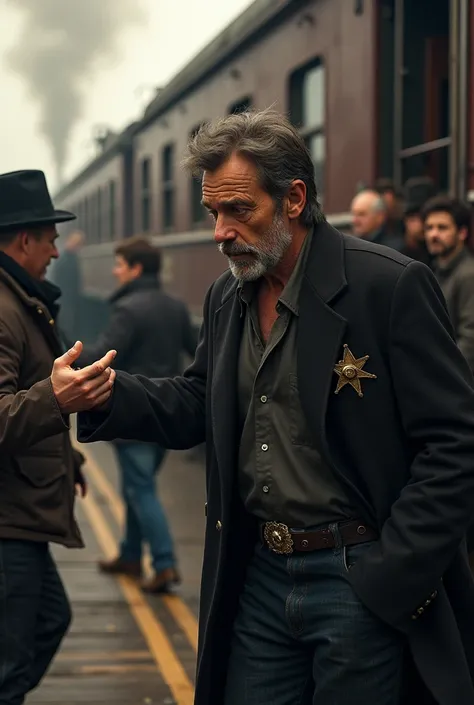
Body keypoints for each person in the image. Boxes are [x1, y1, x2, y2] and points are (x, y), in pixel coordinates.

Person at [56, 111, 474, 705]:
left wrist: (391, 574)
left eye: (238, 210)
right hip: (260, 575)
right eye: (213, 214)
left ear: (294, 199)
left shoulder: (388, 287)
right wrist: (109, 391)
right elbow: (203, 398)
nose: (221, 232)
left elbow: (455, 442)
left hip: (358, 576)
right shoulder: (229, 295)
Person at [0, 169, 115, 704]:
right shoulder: (3, 310)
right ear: (24, 240)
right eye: (48, 239)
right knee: (12, 656)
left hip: (18, 511)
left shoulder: (18, 297)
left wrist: (68, 460)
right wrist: (60, 398)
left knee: (46, 621)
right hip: (6, 521)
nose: (54, 251)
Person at [76, 236, 196, 592]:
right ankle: (130, 555)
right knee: (134, 487)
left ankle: (164, 563)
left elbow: (101, 355)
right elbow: (196, 352)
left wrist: (66, 350)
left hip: (134, 415)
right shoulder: (174, 306)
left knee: (140, 489)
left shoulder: (129, 310)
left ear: (136, 268)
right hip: (167, 413)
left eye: (120, 265)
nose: (115, 271)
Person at [423, 195, 474, 373]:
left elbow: (470, 339)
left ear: (462, 233)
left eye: (442, 228)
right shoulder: (434, 270)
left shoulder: (468, 274)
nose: (433, 234)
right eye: (429, 228)